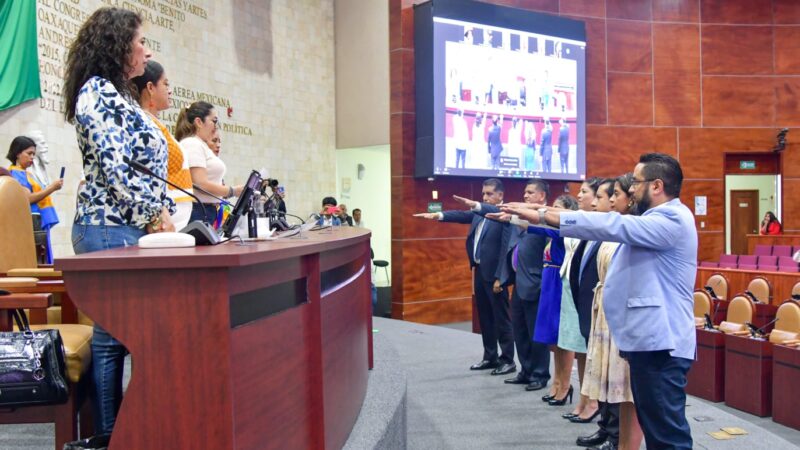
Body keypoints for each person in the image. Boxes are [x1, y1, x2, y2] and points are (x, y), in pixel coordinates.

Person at [504, 153, 697, 449]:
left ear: (657, 186)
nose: (631, 189)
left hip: (662, 344)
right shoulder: (655, 219)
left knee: (667, 434)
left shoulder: (672, 219)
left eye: (636, 182)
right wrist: (538, 212)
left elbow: (610, 225)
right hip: (648, 342)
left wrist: (542, 214)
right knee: (656, 428)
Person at [63, 7, 176, 435]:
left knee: (124, 334)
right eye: (141, 41)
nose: (147, 50)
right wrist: (155, 213)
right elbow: (117, 172)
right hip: (105, 226)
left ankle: (125, 429)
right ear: (118, 45)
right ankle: (110, 435)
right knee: (112, 336)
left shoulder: (119, 94)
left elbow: (144, 171)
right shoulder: (96, 93)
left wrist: (160, 208)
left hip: (128, 225)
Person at [454, 179, 551, 391]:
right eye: (525, 192)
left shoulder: (547, 218)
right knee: (520, 330)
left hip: (535, 283)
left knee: (535, 333)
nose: (525, 195)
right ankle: (525, 371)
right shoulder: (522, 216)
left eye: (530, 192)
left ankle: (539, 374)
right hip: (519, 282)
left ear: (542, 196)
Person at [414, 179, 515, 375]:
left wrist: (500, 277)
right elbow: (462, 215)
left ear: (500, 195)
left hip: (495, 275)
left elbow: (506, 248)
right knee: (485, 317)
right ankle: (490, 357)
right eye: (483, 194)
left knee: (501, 318)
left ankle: (508, 360)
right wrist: (438, 215)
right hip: (479, 271)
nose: (485, 197)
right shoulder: (479, 214)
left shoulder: (504, 214)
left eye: (489, 194)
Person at [132, 60, 193, 231]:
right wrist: (157, 215)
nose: (170, 90)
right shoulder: (143, 123)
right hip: (161, 222)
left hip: (171, 219)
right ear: (150, 88)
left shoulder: (155, 123)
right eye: (165, 84)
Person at [175, 101, 242, 225]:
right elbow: (200, 184)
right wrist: (233, 191)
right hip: (198, 211)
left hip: (205, 210)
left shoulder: (200, 145)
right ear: (199, 122)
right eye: (214, 121)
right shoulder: (192, 143)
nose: (216, 126)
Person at [6, 135, 63, 263]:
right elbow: (27, 198)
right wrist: (52, 188)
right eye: (29, 153)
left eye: (33, 154)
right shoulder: (16, 173)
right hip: (32, 223)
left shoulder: (26, 173)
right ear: (17, 153)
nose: (32, 157)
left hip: (38, 223)